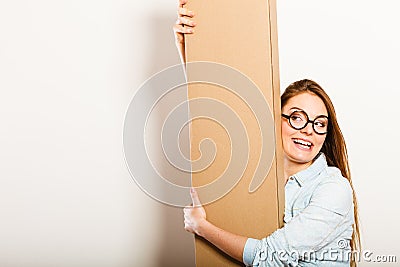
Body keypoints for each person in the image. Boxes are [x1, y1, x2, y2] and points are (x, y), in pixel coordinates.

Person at [174, 1, 361, 266]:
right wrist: (190, 48)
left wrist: (201, 226)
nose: (308, 130)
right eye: (297, 118)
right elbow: (218, 116)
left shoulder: (333, 189)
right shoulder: (259, 173)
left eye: (319, 123)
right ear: (275, 119)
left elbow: (270, 257)